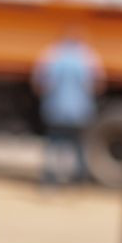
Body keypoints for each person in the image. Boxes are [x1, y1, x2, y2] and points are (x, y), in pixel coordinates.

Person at [33, 31, 104, 186]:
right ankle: (79, 179)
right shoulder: (87, 56)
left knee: (53, 144)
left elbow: (39, 81)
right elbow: (98, 82)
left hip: (56, 109)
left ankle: (50, 178)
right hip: (79, 111)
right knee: (78, 145)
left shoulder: (52, 54)